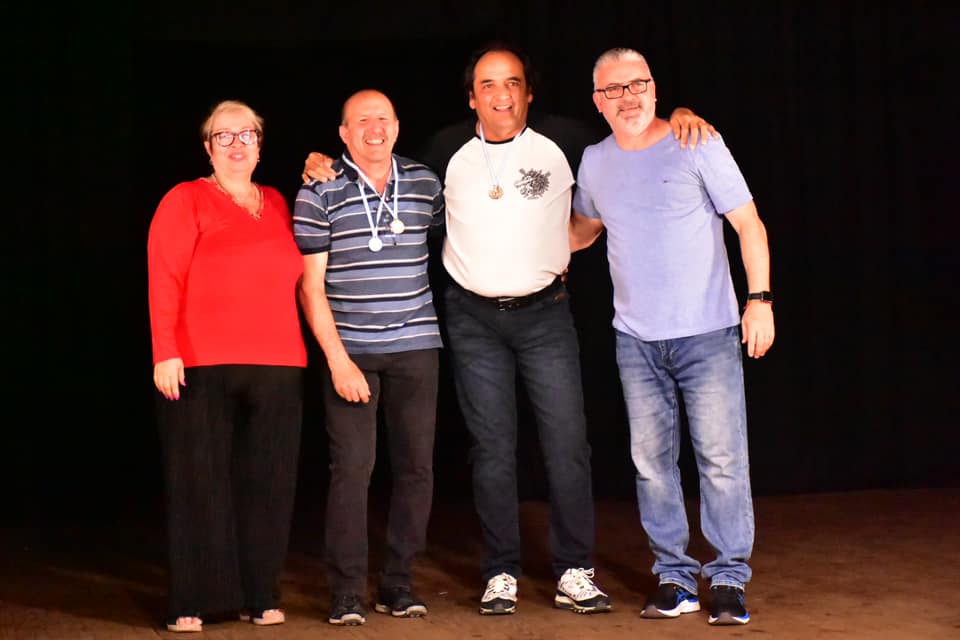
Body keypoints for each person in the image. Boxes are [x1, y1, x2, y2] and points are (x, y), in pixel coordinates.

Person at [302, 42, 714, 617]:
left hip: (545, 312)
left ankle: (574, 569)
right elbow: (381, 170)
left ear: (529, 91)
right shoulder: (445, 150)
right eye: (488, 85)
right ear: (472, 97)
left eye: (513, 82)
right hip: (472, 318)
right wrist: (320, 161)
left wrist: (681, 116)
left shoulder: (567, 140)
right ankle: (501, 570)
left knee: (567, 442)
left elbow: (633, 138)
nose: (502, 95)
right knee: (492, 447)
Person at [569, 48, 775, 626]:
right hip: (636, 340)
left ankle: (728, 579)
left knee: (722, 460)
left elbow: (748, 223)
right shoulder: (595, 161)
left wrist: (760, 300)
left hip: (706, 333)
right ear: (598, 101)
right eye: (614, 89)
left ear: (655, 89)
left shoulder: (697, 142)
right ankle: (675, 579)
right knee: (652, 464)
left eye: (638, 84)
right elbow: (582, 231)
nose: (628, 97)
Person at [147, 100, 306, 633]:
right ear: (208, 148)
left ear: (260, 144)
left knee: (269, 484)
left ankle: (259, 595)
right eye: (224, 136)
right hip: (200, 362)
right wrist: (164, 350)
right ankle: (191, 600)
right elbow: (164, 275)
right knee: (200, 482)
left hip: (280, 361)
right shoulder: (185, 198)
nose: (237, 144)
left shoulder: (279, 201)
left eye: (247, 135)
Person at [293, 90, 445, 626]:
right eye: (362, 121)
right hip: (351, 351)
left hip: (416, 346)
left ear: (397, 127)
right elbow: (310, 288)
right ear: (343, 133)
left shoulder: (426, 184)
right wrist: (337, 361)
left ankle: (398, 584)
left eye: (383, 119)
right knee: (352, 470)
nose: (374, 128)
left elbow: (464, 241)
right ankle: (346, 592)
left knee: (416, 469)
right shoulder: (319, 190)